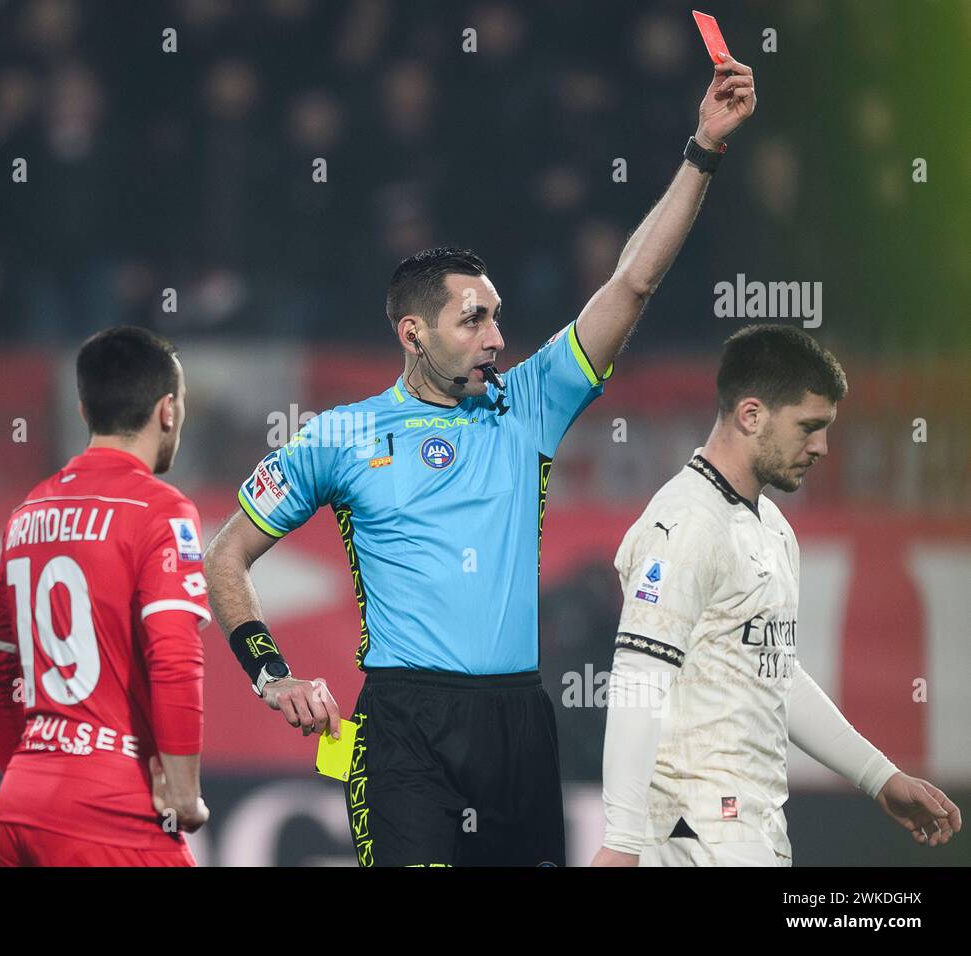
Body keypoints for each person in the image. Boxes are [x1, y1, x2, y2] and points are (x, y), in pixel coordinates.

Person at [204, 56, 759, 866]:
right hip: (404, 727)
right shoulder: (340, 436)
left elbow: (631, 282)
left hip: (517, 724)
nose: (497, 337)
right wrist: (271, 675)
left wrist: (702, 149)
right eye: (474, 320)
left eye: (498, 317)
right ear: (413, 334)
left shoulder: (526, 404)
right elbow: (227, 554)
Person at [593, 325, 962, 867]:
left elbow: (775, 673)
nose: (821, 448)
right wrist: (623, 841)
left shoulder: (770, 525)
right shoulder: (685, 524)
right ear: (751, 415)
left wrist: (879, 776)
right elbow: (638, 678)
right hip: (687, 833)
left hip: (751, 831)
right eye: (809, 427)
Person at [0, 326, 211, 866]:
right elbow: (174, 653)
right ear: (168, 410)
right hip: (112, 808)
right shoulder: (160, 510)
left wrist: (36, 773)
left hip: (22, 809)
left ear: (83, 410)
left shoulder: (30, 512)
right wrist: (183, 788)